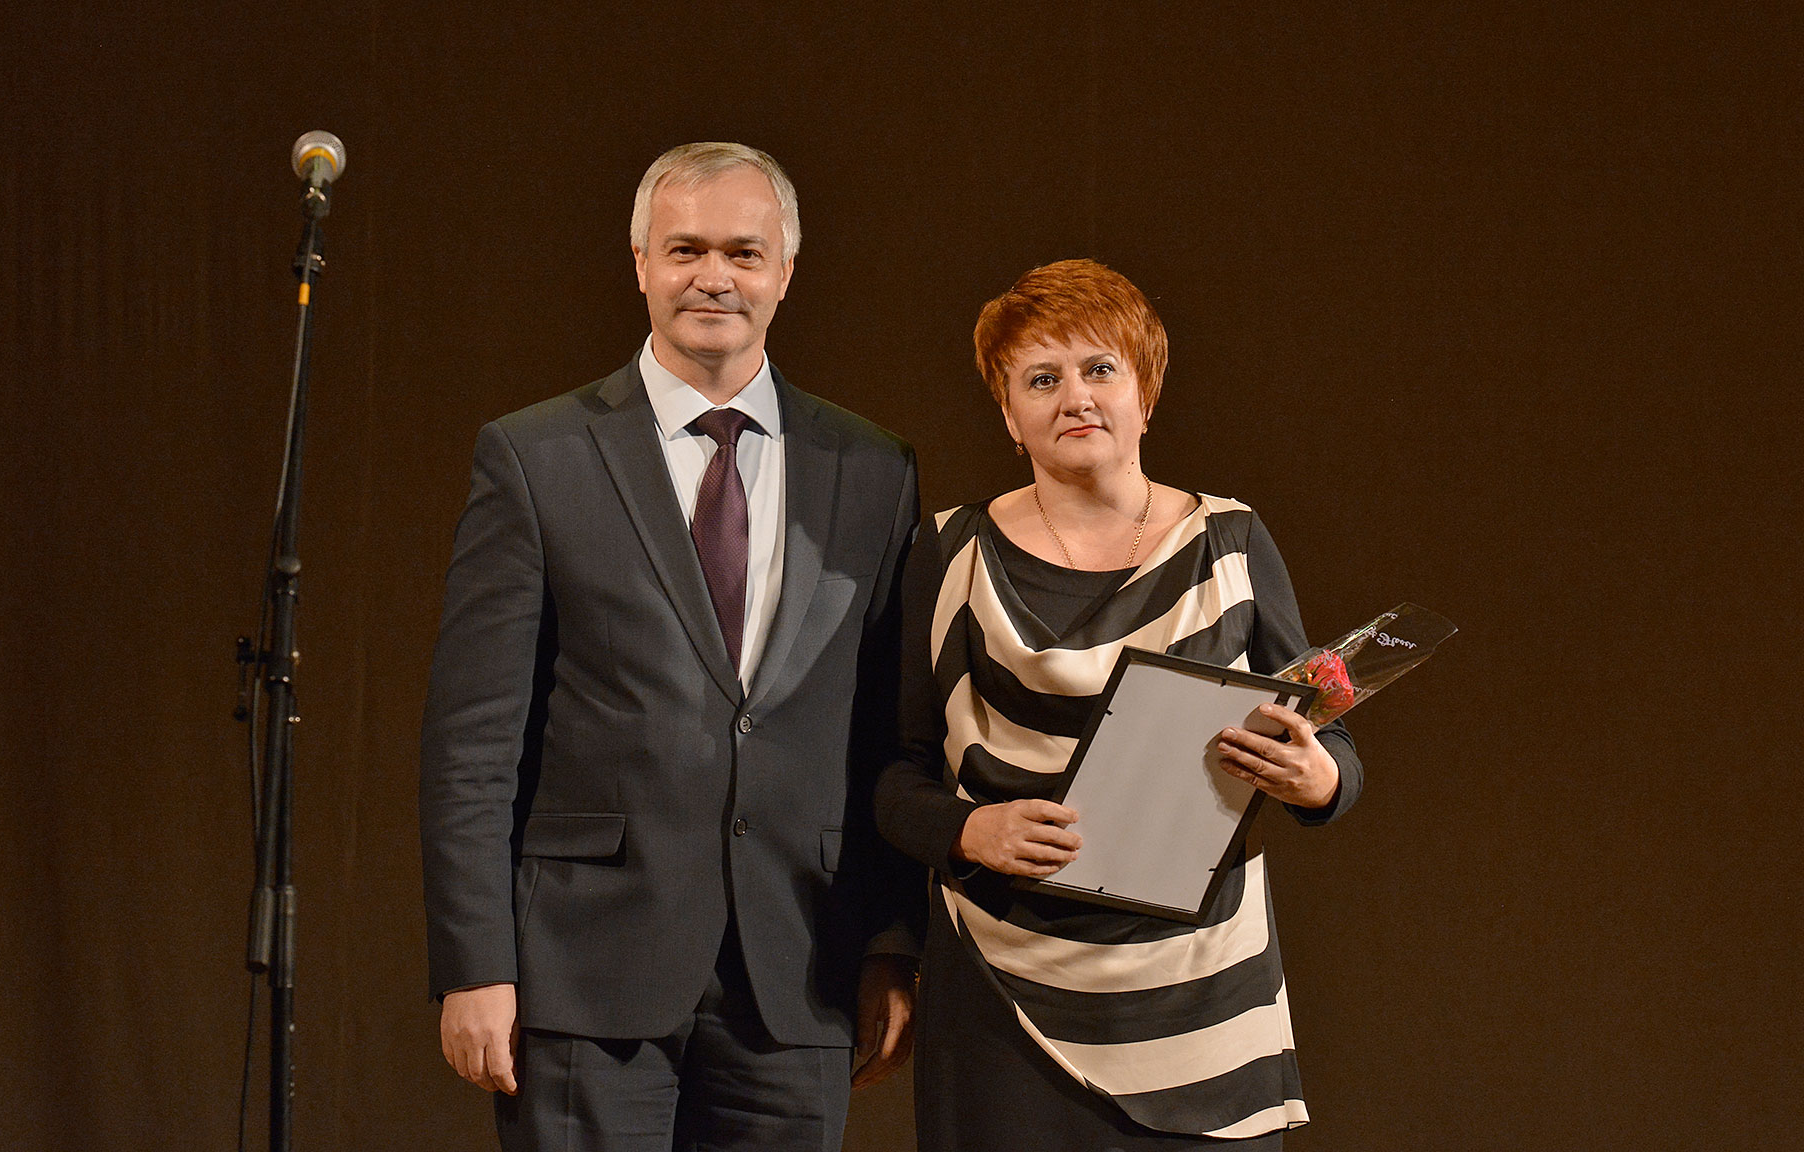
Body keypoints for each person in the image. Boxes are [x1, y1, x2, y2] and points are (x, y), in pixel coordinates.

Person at [419, 142, 921, 1152]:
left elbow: (887, 734)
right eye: (685, 249)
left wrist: (890, 941)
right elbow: (473, 741)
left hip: (800, 975)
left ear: (785, 271)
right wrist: (476, 964)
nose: (714, 277)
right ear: (641, 263)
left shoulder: (874, 468)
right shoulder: (535, 456)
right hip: (583, 974)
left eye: (744, 252)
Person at [874, 259, 1365, 1150]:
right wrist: (967, 829)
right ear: (1008, 413)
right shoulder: (948, 552)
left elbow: (1334, 752)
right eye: (1041, 379)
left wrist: (1317, 778)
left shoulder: (1229, 540)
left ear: (1147, 392)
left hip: (1202, 1001)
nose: (1076, 398)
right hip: (1000, 993)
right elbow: (892, 774)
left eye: (1101, 369)